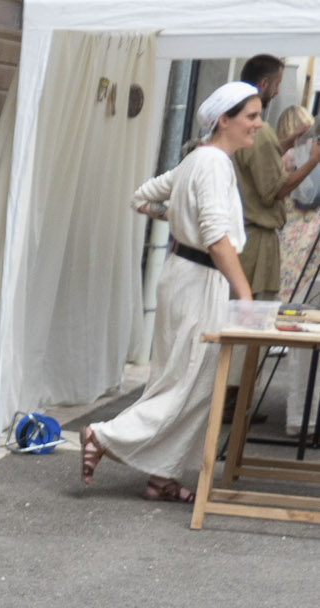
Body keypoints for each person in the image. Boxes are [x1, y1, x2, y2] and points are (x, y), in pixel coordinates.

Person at [83, 83, 261, 504]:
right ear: (225, 120)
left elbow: (143, 198)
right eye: (251, 115)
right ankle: (104, 436)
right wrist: (246, 298)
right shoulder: (214, 163)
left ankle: (162, 476)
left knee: (180, 378)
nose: (258, 123)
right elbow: (218, 240)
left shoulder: (198, 159)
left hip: (182, 275)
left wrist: (177, 215)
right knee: (190, 384)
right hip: (201, 282)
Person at [231, 57, 320, 299]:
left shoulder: (238, 125)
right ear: (264, 83)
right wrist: (313, 161)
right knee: (250, 323)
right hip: (255, 244)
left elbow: (260, 159)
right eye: (277, 84)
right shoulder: (260, 130)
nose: (279, 90)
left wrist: (289, 141)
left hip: (244, 237)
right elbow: (275, 190)